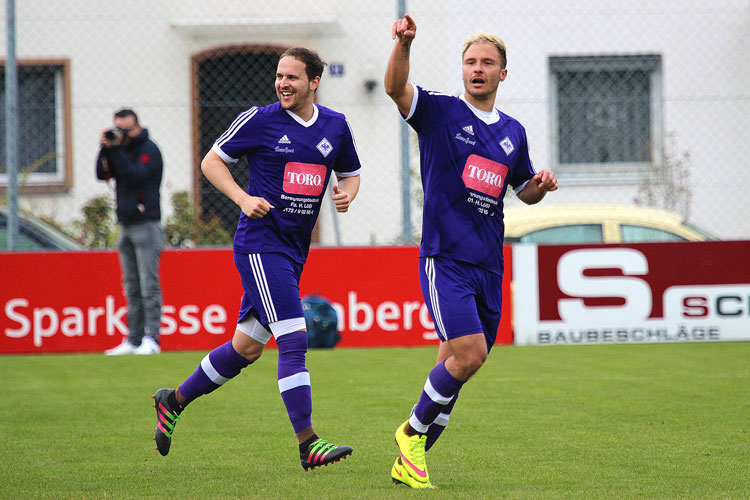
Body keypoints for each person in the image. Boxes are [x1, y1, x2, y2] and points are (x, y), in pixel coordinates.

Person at [151, 47, 361, 471]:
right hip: (261, 247)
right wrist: (243, 198)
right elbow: (213, 161)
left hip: (293, 252)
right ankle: (308, 443)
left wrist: (347, 194)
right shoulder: (260, 119)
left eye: (293, 77)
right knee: (295, 338)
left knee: (246, 349)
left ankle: (172, 401)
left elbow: (351, 173)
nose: (283, 83)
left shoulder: (336, 127)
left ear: (314, 82)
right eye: (279, 75)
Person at [384, 15, 558, 488]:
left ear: (503, 73)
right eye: (470, 62)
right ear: (462, 71)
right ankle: (411, 433)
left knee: (456, 368)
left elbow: (521, 191)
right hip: (446, 258)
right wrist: (403, 44)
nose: (477, 69)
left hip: (489, 264)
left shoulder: (513, 131)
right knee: (470, 355)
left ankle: (410, 462)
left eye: (487, 63)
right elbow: (395, 88)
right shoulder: (439, 111)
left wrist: (539, 187)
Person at [97, 108, 164, 356]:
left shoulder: (149, 150)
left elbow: (134, 176)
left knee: (149, 284)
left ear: (136, 127)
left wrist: (115, 150)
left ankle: (152, 338)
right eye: (117, 128)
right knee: (131, 285)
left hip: (146, 223)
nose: (120, 134)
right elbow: (101, 174)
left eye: (124, 129)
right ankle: (133, 339)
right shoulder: (117, 150)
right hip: (124, 224)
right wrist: (105, 149)